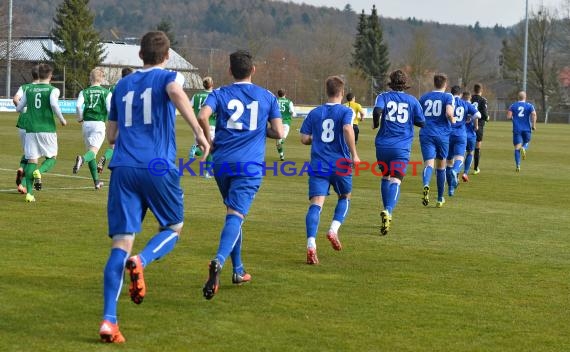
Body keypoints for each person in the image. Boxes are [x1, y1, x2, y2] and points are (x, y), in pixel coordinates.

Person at [99, 31, 209, 343]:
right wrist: (199, 132)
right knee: (173, 227)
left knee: (120, 243)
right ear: (166, 55)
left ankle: (109, 320)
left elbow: (111, 137)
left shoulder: (121, 85)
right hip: (157, 164)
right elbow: (175, 91)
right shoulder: (167, 77)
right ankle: (142, 261)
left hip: (123, 167)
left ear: (139, 55)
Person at [198, 50, 283, 300]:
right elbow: (278, 132)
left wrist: (209, 139)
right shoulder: (267, 97)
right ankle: (219, 260)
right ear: (253, 70)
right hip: (249, 165)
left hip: (222, 163)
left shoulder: (220, 93)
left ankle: (238, 270)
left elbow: (203, 116)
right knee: (236, 215)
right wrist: (260, 129)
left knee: (233, 213)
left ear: (229, 71)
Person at [300, 76, 359, 264]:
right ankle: (333, 229)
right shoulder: (345, 111)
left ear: (327, 91)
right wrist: (354, 155)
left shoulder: (315, 113)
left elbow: (303, 138)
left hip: (319, 164)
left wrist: (314, 139)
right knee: (345, 197)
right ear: (341, 93)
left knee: (316, 205)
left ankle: (311, 245)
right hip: (340, 163)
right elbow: (348, 129)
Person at [373, 70, 424, 235]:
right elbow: (421, 122)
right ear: (405, 85)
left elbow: (377, 111)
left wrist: (375, 123)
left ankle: (385, 209)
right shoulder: (412, 100)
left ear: (391, 83)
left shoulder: (383, 97)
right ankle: (388, 210)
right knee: (396, 180)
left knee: (385, 176)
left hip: (382, 145)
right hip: (401, 147)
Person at [15, 63, 67, 202]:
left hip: (31, 130)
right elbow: (54, 104)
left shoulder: (29, 89)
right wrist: (62, 119)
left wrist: (25, 110)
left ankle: (30, 194)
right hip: (47, 129)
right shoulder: (53, 90)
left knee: (32, 160)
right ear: (50, 76)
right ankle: (41, 171)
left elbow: (19, 107)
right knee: (52, 157)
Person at [418, 73, 455, 208]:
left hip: (426, 133)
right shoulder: (448, 96)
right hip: (442, 135)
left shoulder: (424, 97)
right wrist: (453, 120)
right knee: (441, 166)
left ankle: (426, 184)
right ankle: (440, 198)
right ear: (445, 84)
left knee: (428, 163)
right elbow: (449, 113)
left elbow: (418, 116)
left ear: (434, 83)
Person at [73, 68, 112, 189]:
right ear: (102, 78)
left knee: (92, 153)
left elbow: (78, 106)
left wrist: (80, 118)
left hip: (86, 124)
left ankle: (96, 181)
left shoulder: (84, 92)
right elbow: (110, 108)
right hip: (98, 124)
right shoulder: (106, 92)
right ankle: (82, 159)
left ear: (91, 78)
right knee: (92, 153)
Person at [97, 67, 134, 173]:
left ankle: (105, 158)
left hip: (115, 117)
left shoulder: (113, 87)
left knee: (113, 145)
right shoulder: (133, 86)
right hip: (128, 118)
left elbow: (109, 103)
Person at [446, 85, 480, 195]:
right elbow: (478, 115)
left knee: (448, 161)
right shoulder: (465, 103)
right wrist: (469, 118)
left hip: (448, 134)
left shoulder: (448, 102)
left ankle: (450, 189)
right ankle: (456, 171)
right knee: (460, 158)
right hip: (461, 134)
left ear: (451, 93)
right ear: (460, 94)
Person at [12, 64, 40, 194]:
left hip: (23, 123)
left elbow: (15, 99)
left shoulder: (24, 87)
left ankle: (21, 169)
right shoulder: (43, 88)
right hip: (35, 124)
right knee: (33, 157)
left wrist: (23, 109)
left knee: (27, 152)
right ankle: (23, 184)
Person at [189, 76, 216, 178]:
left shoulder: (196, 96)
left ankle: (195, 149)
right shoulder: (214, 96)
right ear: (212, 84)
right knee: (210, 148)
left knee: (202, 147)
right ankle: (208, 172)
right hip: (210, 124)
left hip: (197, 125)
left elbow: (189, 106)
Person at [506, 91, 537, 172]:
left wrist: (513, 118)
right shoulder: (529, 105)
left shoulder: (513, 105)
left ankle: (518, 165)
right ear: (525, 97)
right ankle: (524, 147)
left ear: (518, 97)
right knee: (527, 141)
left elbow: (508, 116)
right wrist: (533, 125)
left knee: (517, 148)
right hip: (527, 128)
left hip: (517, 129)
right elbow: (534, 114)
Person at [470, 83, 489, 174]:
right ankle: (476, 168)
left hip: (468, 125)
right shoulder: (483, 100)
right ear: (481, 90)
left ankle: (460, 165)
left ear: (474, 90)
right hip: (479, 125)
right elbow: (484, 114)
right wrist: (487, 118)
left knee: (466, 147)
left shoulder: (470, 98)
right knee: (477, 147)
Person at [461, 91, 479, 181]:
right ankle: (465, 173)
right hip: (471, 134)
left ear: (462, 97)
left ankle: (455, 172)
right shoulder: (473, 107)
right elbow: (476, 117)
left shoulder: (459, 105)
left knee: (459, 154)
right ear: (470, 98)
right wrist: (476, 127)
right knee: (470, 152)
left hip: (460, 133)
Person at [275, 89, 297, 160]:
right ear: (285, 94)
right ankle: (282, 141)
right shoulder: (289, 102)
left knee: (278, 141)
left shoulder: (275, 101)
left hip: (277, 122)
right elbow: (293, 113)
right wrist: (293, 114)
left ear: (278, 94)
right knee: (283, 136)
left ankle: (281, 155)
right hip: (286, 122)